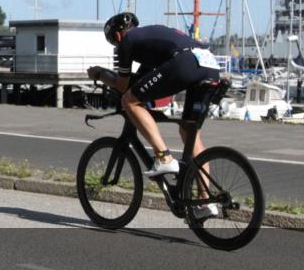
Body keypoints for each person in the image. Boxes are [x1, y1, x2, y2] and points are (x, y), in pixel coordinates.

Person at [88, 12, 221, 219]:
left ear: (118, 35)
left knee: (129, 101)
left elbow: (123, 87)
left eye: (113, 42)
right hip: (210, 65)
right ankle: (205, 201)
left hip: (186, 62)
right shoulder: (149, 42)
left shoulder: (128, 41)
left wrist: (99, 74)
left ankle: (164, 157)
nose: (116, 47)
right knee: (189, 131)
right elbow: (140, 81)